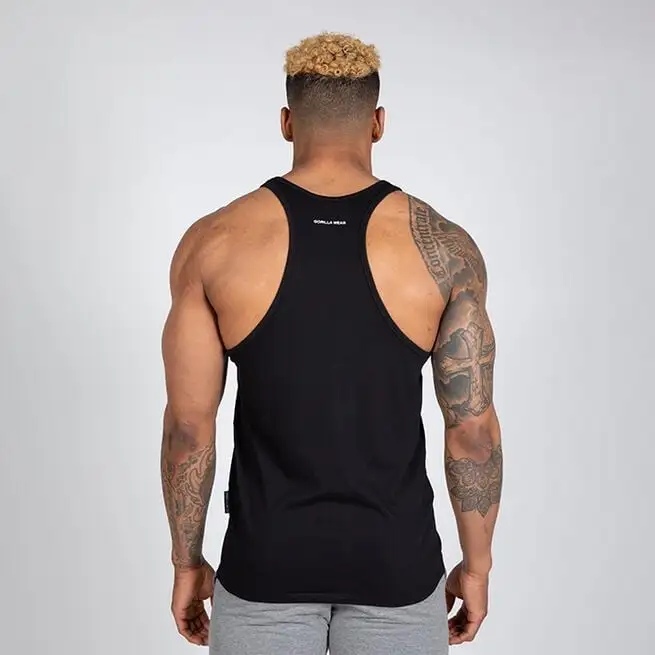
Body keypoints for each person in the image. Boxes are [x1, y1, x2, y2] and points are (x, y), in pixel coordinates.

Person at [160, 32, 502, 654]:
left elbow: (188, 429)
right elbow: (472, 432)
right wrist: (475, 568)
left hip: (264, 569)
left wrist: (187, 561)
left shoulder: (214, 242)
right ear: (378, 124)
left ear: (287, 122)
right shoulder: (445, 249)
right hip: (397, 569)